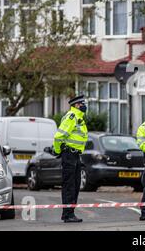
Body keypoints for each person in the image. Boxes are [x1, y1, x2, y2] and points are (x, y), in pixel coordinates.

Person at [52, 95, 88, 223]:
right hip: (69, 155)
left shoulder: (79, 118)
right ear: (77, 105)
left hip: (75, 155)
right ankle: (68, 214)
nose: (84, 105)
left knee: (76, 184)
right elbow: (58, 137)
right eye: (82, 103)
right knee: (70, 185)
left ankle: (69, 212)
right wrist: (57, 151)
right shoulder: (71, 117)